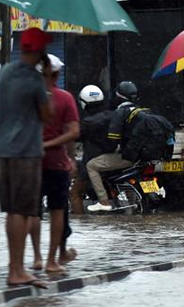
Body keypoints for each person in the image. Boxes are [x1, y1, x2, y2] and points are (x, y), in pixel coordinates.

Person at [0, 27, 54, 288]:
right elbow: (48, 116)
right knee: (23, 211)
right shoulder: (35, 81)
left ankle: (13, 268)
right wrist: (47, 81)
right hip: (26, 152)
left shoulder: (4, 72)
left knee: (11, 211)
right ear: (39, 52)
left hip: (4, 150)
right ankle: (17, 272)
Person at [29, 54, 79, 274]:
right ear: (57, 74)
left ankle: (37, 258)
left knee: (33, 211)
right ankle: (52, 260)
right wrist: (66, 156)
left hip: (30, 161)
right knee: (57, 209)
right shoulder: (65, 98)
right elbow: (73, 133)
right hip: (56, 162)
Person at [86, 81, 139, 211]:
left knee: (91, 165)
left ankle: (103, 202)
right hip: (142, 155)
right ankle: (132, 200)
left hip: (128, 156)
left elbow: (113, 141)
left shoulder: (120, 112)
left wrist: (108, 149)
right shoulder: (140, 111)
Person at [71, 85, 113, 214]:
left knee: (74, 193)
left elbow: (74, 137)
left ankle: (80, 224)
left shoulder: (87, 123)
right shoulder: (112, 115)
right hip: (114, 160)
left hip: (93, 161)